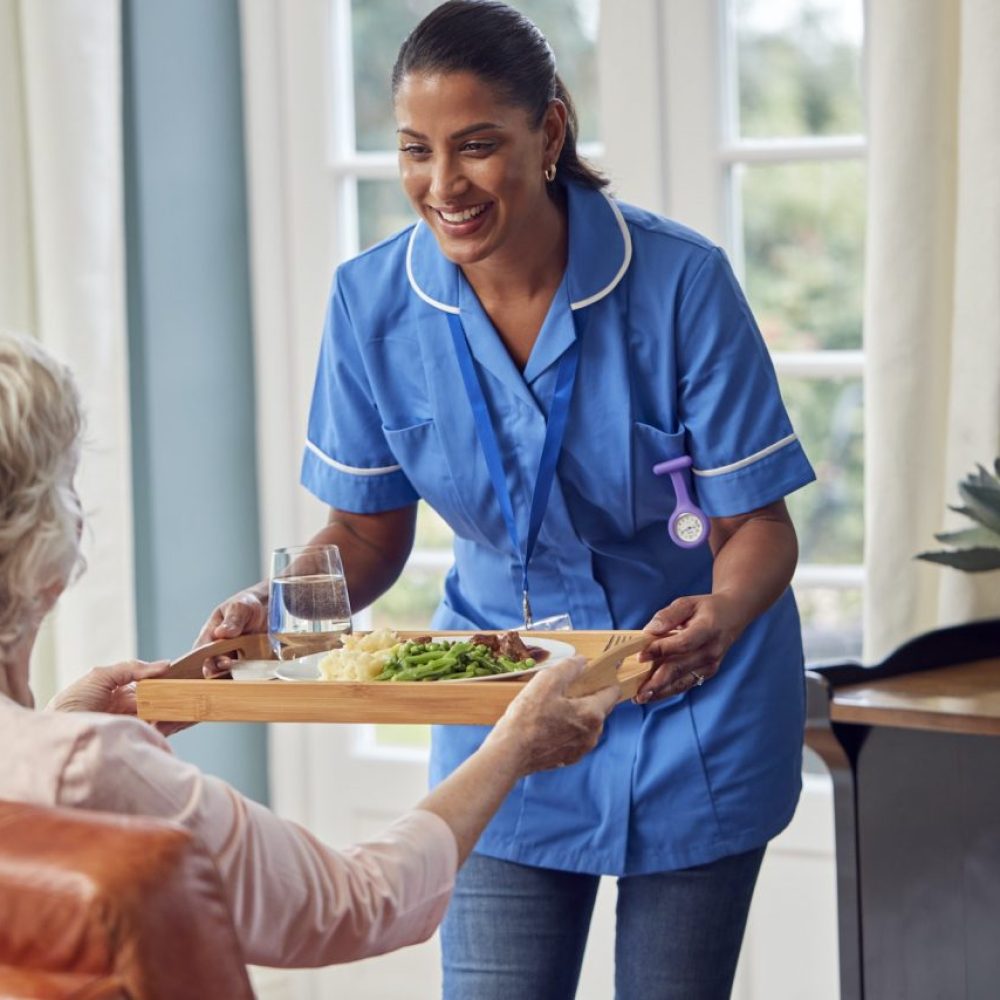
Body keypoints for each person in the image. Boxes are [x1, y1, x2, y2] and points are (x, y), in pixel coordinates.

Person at [199, 2, 817, 996]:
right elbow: (363, 531)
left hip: (690, 700)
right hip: (504, 711)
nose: (443, 185)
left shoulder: (681, 283)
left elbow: (757, 529)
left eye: (478, 146)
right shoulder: (372, 305)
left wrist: (723, 612)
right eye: (415, 150)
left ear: (550, 133)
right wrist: (273, 610)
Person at [0, 330, 618, 970]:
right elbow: (353, 903)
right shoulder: (92, 768)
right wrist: (513, 746)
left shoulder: (61, 755)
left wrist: (59, 727)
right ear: (46, 540)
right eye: (69, 485)